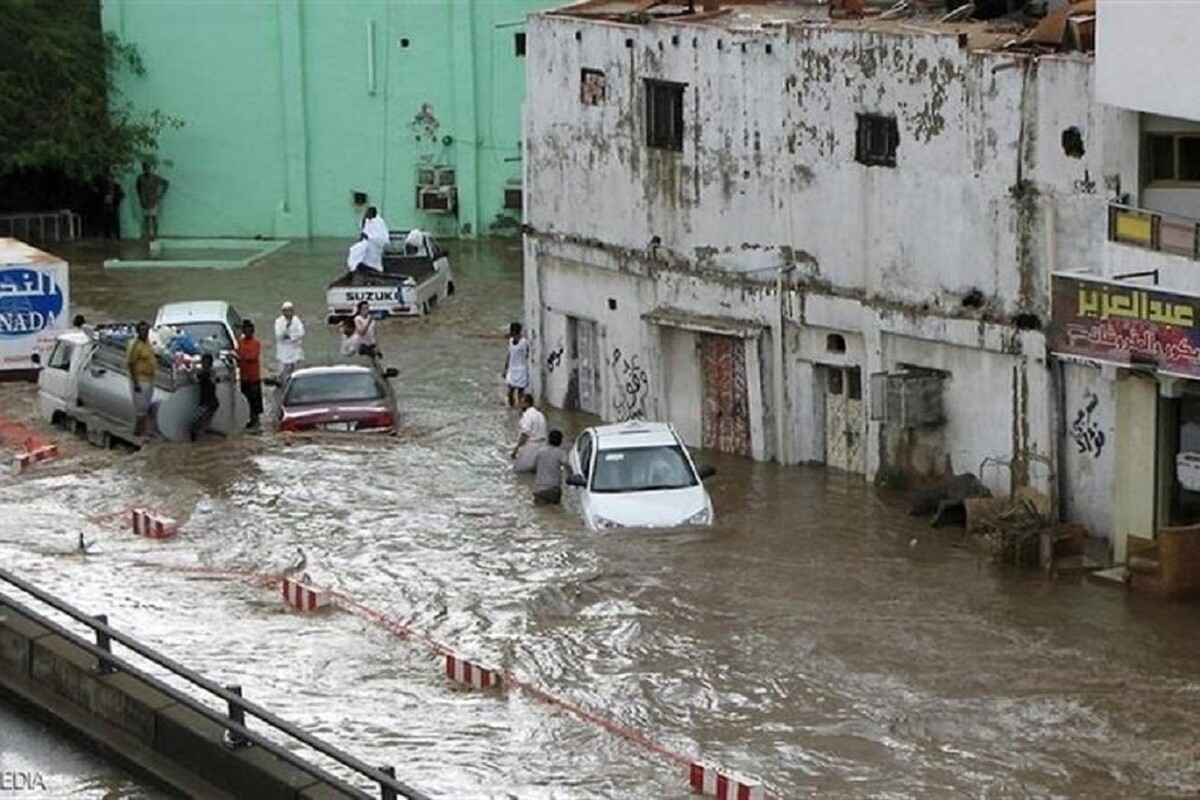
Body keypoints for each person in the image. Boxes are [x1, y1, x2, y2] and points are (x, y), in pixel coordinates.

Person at [126, 321, 157, 438]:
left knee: (146, 407)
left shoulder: (147, 343)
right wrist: (136, 383)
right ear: (138, 332)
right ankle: (138, 434)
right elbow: (130, 364)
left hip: (149, 379)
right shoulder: (135, 346)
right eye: (143, 330)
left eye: (147, 330)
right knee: (141, 409)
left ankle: (144, 431)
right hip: (140, 379)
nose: (145, 333)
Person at [236, 319, 263, 430]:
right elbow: (237, 353)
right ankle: (248, 418)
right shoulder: (240, 342)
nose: (246, 332)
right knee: (246, 398)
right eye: (244, 329)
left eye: (248, 329)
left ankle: (255, 419)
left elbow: (252, 357)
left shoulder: (256, 343)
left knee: (255, 400)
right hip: (244, 376)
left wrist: (239, 357)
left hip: (254, 377)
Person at [532, 429, 571, 505]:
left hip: (540, 489)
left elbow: (534, 468)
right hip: (553, 489)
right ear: (560, 441)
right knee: (555, 512)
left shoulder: (540, 452)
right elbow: (568, 466)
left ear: (548, 440)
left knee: (540, 513)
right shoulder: (561, 453)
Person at [511, 392, 547, 473]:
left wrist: (516, 449)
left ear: (527, 404)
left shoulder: (527, 415)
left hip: (531, 447)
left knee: (519, 472)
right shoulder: (540, 414)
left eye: (521, 403)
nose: (519, 405)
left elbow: (524, 435)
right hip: (543, 446)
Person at [135, 161, 169, 241]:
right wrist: (140, 197)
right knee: (145, 218)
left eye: (147, 167)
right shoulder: (140, 178)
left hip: (153, 200)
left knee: (153, 218)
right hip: (143, 200)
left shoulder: (155, 177)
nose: (146, 169)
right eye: (144, 167)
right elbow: (137, 188)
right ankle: (146, 234)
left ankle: (155, 234)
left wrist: (161, 194)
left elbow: (166, 183)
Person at [190, 353, 220, 442]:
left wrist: (192, 371)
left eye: (204, 362)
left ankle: (198, 445)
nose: (203, 364)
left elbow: (194, 379)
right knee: (203, 425)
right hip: (211, 403)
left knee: (196, 427)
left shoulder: (205, 374)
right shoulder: (211, 372)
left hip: (208, 404)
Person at [274, 301, 305, 377]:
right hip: (283, 352)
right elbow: (279, 335)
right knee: (283, 373)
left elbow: (301, 333)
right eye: (286, 310)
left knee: (295, 373)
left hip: (295, 351)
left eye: (290, 310)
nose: (288, 312)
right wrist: (286, 327)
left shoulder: (296, 320)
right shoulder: (279, 321)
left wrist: (292, 337)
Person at [502, 322, 529, 408]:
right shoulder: (510, 341)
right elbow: (509, 355)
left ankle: (520, 410)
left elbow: (527, 354)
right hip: (512, 369)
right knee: (510, 392)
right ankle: (512, 408)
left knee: (520, 393)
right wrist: (505, 369)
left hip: (521, 369)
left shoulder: (523, 342)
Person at [360, 206, 389, 271]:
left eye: (368, 213)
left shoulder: (379, 222)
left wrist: (369, 237)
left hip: (376, 245)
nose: (366, 214)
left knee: (374, 260)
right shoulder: (368, 221)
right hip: (368, 244)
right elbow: (364, 230)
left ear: (372, 214)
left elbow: (380, 237)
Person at [102, 174, 124, 240]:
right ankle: (107, 235)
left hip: (114, 206)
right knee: (107, 221)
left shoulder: (116, 186)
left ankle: (117, 235)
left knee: (115, 220)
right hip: (106, 206)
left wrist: (116, 200)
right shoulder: (104, 187)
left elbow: (121, 194)